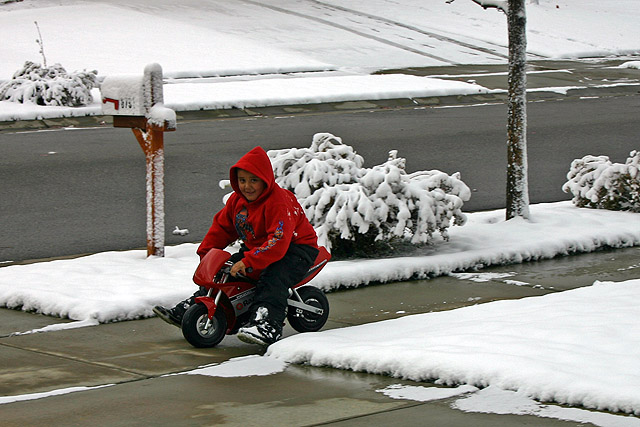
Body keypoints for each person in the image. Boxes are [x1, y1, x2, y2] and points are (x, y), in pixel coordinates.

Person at [153, 146, 319, 346]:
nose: (247, 186)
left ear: (265, 179)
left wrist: (250, 261)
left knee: (273, 278)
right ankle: (195, 307)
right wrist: (207, 254)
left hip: (295, 249)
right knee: (224, 273)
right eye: (242, 181)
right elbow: (222, 229)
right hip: (258, 249)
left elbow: (278, 240)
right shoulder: (237, 202)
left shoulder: (278, 202)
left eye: (253, 180)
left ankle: (267, 324)